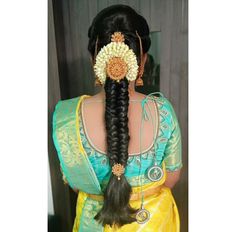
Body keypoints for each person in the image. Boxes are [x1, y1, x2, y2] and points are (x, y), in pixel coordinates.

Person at [52, 5, 183, 232]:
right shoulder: (163, 111)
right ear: (142, 60)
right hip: (150, 223)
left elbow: (76, 184)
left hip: (95, 223)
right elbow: (170, 178)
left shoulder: (67, 117)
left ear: (94, 58)